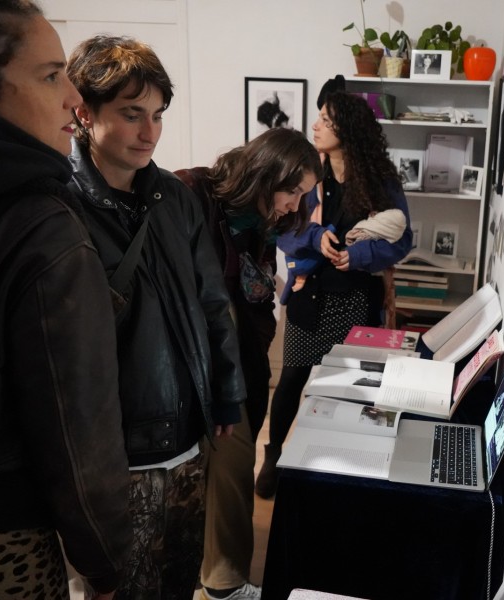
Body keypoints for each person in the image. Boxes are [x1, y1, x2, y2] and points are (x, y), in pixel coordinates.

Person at [0, 2, 131, 599]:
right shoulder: (39, 224)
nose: (74, 99)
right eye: (50, 75)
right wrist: (103, 561)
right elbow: (77, 428)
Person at [66, 35, 246, 599]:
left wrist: (227, 393)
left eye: (158, 115)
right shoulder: (58, 203)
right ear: (84, 113)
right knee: (121, 585)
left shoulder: (175, 197)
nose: (150, 132)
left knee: (178, 576)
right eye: (131, 114)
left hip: (187, 428)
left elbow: (212, 302)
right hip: (113, 448)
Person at [174, 127, 322, 600]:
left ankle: (220, 580)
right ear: (266, 172)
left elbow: (253, 300)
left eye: (302, 195)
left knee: (229, 466)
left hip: (234, 357)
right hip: (189, 361)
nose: (294, 205)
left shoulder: (260, 221)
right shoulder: (191, 191)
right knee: (228, 464)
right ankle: (223, 585)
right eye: (292, 191)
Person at [255, 89, 413, 499]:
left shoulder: (380, 181)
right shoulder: (308, 175)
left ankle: (335, 463)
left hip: (357, 298)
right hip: (309, 294)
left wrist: (357, 255)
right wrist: (315, 236)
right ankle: (273, 456)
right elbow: (281, 229)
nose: (316, 125)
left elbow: (402, 239)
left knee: (349, 386)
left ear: (348, 129)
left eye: (325, 119)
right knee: (292, 379)